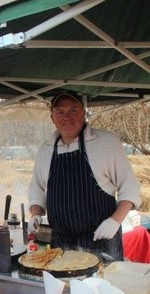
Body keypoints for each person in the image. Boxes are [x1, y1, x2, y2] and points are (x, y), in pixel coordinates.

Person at [28, 90, 141, 261]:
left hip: (101, 243)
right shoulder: (45, 150)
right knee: (65, 287)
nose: (66, 117)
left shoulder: (106, 142)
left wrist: (115, 221)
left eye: (73, 110)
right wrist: (35, 214)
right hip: (61, 246)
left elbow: (130, 187)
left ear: (84, 113)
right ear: (52, 118)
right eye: (60, 112)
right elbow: (36, 188)